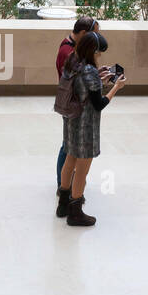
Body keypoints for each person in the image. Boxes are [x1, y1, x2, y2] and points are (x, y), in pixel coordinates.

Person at [57, 31, 125, 227]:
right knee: (82, 170)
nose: (100, 56)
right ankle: (75, 212)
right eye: (99, 52)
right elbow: (99, 103)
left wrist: (99, 78)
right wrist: (115, 87)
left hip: (70, 120)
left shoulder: (72, 61)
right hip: (85, 126)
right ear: (92, 51)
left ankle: (62, 204)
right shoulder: (89, 71)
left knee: (69, 160)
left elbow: (82, 89)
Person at [55, 16, 98, 187]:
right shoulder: (68, 52)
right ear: (83, 33)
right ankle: (63, 184)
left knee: (68, 145)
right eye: (93, 36)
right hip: (72, 104)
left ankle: (65, 184)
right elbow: (74, 78)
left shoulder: (71, 48)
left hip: (72, 102)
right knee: (68, 147)